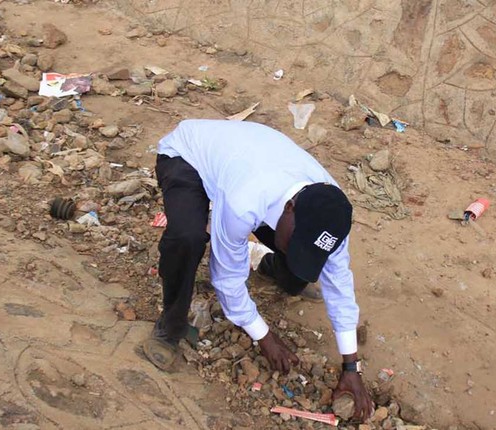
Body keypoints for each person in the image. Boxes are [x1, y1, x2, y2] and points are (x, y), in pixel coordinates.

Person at [143, 119, 373, 421]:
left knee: (300, 270)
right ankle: (169, 328)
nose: (298, 251)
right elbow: (227, 276)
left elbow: (339, 285)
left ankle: (270, 266)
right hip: (188, 156)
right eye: (297, 243)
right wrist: (264, 337)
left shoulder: (331, 212)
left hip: (253, 161)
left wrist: (351, 366)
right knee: (187, 237)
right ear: (289, 209)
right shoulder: (244, 201)